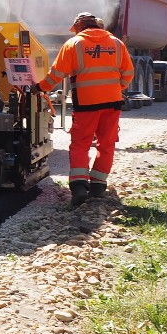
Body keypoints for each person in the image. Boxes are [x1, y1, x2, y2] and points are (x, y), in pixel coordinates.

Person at [36, 11, 135, 208]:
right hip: (112, 103)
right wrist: (115, 89)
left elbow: (56, 74)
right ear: (98, 26)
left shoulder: (74, 44)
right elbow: (128, 74)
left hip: (86, 105)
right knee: (106, 143)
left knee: (81, 144)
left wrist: (39, 88)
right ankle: (98, 186)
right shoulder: (117, 44)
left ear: (79, 27)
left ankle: (80, 186)